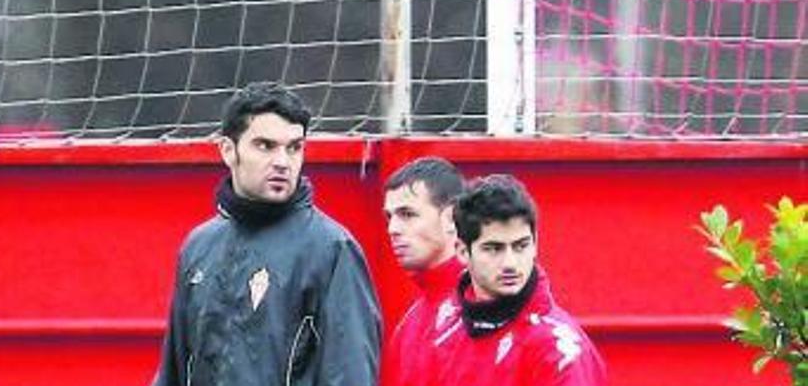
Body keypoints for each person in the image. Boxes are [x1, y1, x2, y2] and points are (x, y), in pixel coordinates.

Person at [152, 82, 381, 386]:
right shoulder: (199, 247)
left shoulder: (331, 249)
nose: (283, 162)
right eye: (265, 146)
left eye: (294, 147)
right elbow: (173, 371)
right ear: (228, 150)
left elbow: (352, 375)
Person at [425, 174, 607, 386]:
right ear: (463, 251)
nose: (510, 263)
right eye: (494, 249)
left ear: (535, 244)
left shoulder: (558, 352)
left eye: (521, 246)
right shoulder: (445, 329)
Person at [380, 157, 465, 386]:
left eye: (407, 214)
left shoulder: (486, 309)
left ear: (451, 218)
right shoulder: (412, 321)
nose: (393, 229)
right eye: (389, 217)